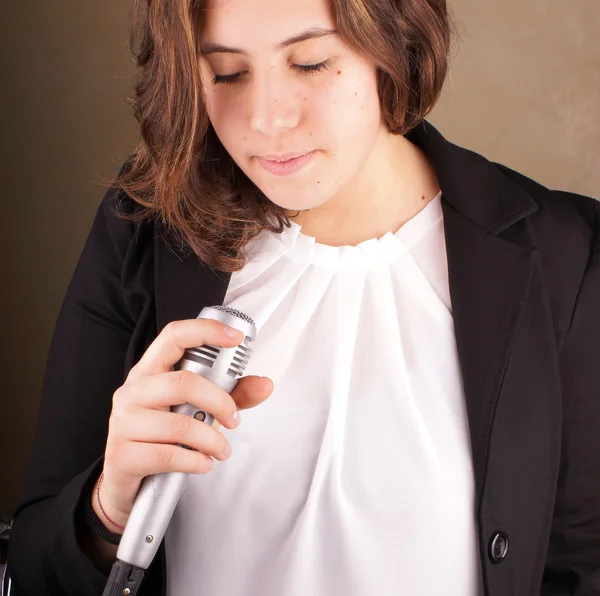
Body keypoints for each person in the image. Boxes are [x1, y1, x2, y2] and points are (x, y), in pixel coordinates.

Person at [7, 0, 600, 594]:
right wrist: (107, 510)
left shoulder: (565, 256)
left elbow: (580, 568)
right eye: (227, 72)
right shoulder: (143, 228)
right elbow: (36, 569)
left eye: (311, 63)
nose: (266, 119)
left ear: (394, 44)